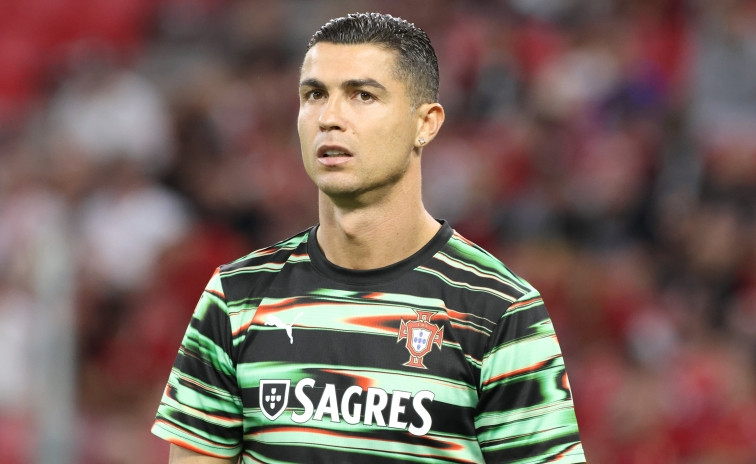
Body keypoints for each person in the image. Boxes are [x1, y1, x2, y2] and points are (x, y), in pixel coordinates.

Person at [152, 12, 586, 463]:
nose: (329, 118)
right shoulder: (236, 296)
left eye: (363, 95)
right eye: (314, 94)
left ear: (426, 124)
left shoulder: (498, 309)